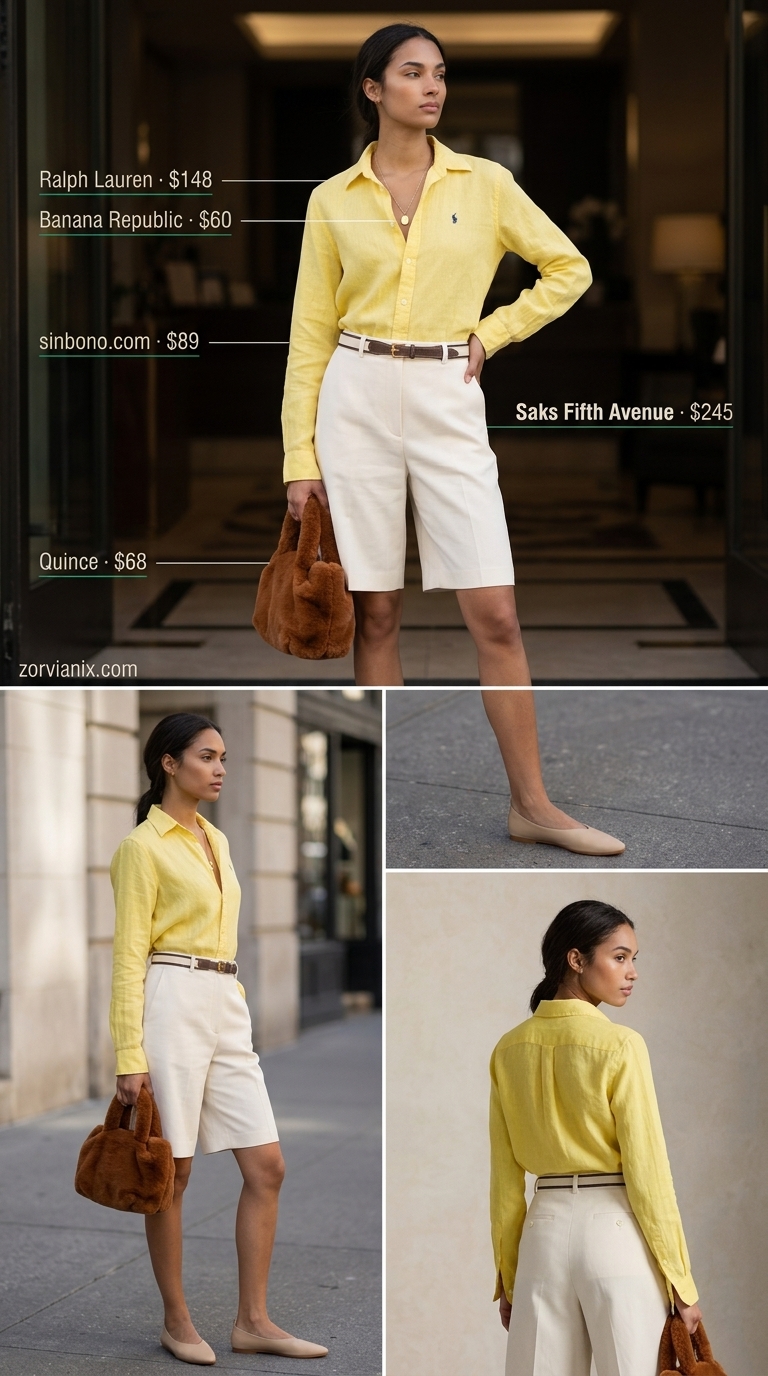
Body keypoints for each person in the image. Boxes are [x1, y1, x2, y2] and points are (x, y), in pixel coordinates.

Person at [281, 23, 624, 858]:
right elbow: (309, 334)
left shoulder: (487, 181)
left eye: (440, 74)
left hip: (448, 391)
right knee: (378, 611)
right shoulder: (332, 199)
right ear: (373, 88)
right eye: (411, 73)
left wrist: (493, 334)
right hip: (353, 396)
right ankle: (392, 816)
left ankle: (534, 806)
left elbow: (568, 269)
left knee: (496, 613)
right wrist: (300, 459)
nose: (431, 88)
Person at [109, 713, 328, 1366]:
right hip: (169, 999)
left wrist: (233, 1006)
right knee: (171, 1173)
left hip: (224, 1003)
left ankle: (253, 1320)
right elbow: (127, 957)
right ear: (169, 764)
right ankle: (177, 1321)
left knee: (268, 1165)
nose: (221, 767)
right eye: (207, 756)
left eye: (225, 756)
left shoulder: (218, 840)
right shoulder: (141, 848)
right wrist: (129, 1056)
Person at [489, 900, 702, 1376]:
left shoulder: (508, 1048)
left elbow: (504, 1179)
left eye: (633, 959)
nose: (632, 972)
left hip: (542, 1235)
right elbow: (648, 1172)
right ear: (576, 959)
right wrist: (680, 1281)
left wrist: (509, 1276)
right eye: (620, 957)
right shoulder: (621, 1045)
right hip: (615, 1232)